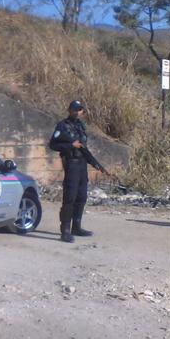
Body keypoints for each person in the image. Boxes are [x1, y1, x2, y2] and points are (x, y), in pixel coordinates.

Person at [49, 100, 110, 243]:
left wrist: (97, 165)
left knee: (81, 197)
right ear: (69, 110)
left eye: (79, 110)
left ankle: (76, 227)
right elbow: (53, 144)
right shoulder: (62, 126)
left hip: (82, 164)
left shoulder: (81, 126)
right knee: (69, 198)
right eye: (74, 109)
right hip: (71, 164)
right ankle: (65, 231)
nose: (77, 112)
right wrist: (70, 145)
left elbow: (84, 150)